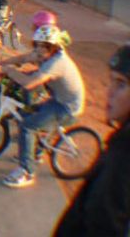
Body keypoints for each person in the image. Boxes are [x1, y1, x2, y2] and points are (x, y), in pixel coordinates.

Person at [0, 25, 84, 188]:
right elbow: (22, 59)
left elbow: (29, 84)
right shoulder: (46, 55)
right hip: (59, 100)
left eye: (45, 46)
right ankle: (35, 153)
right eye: (38, 45)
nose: (40, 50)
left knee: (27, 126)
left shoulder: (56, 62)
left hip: (67, 109)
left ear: (54, 47)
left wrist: (8, 71)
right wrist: (0, 65)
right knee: (27, 115)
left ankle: (27, 172)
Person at [54, 42, 130, 235]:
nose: (109, 91)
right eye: (111, 81)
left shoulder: (124, 152)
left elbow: (104, 222)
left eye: (121, 84)